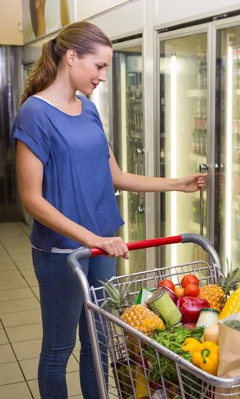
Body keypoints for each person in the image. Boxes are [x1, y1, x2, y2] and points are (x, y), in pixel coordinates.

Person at [11, 21, 206, 399]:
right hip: (63, 252)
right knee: (58, 349)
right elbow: (31, 199)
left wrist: (175, 185)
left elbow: (114, 175)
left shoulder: (88, 110)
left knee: (98, 344)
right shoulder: (34, 114)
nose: (103, 76)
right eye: (98, 66)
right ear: (71, 57)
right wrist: (91, 238)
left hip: (103, 246)